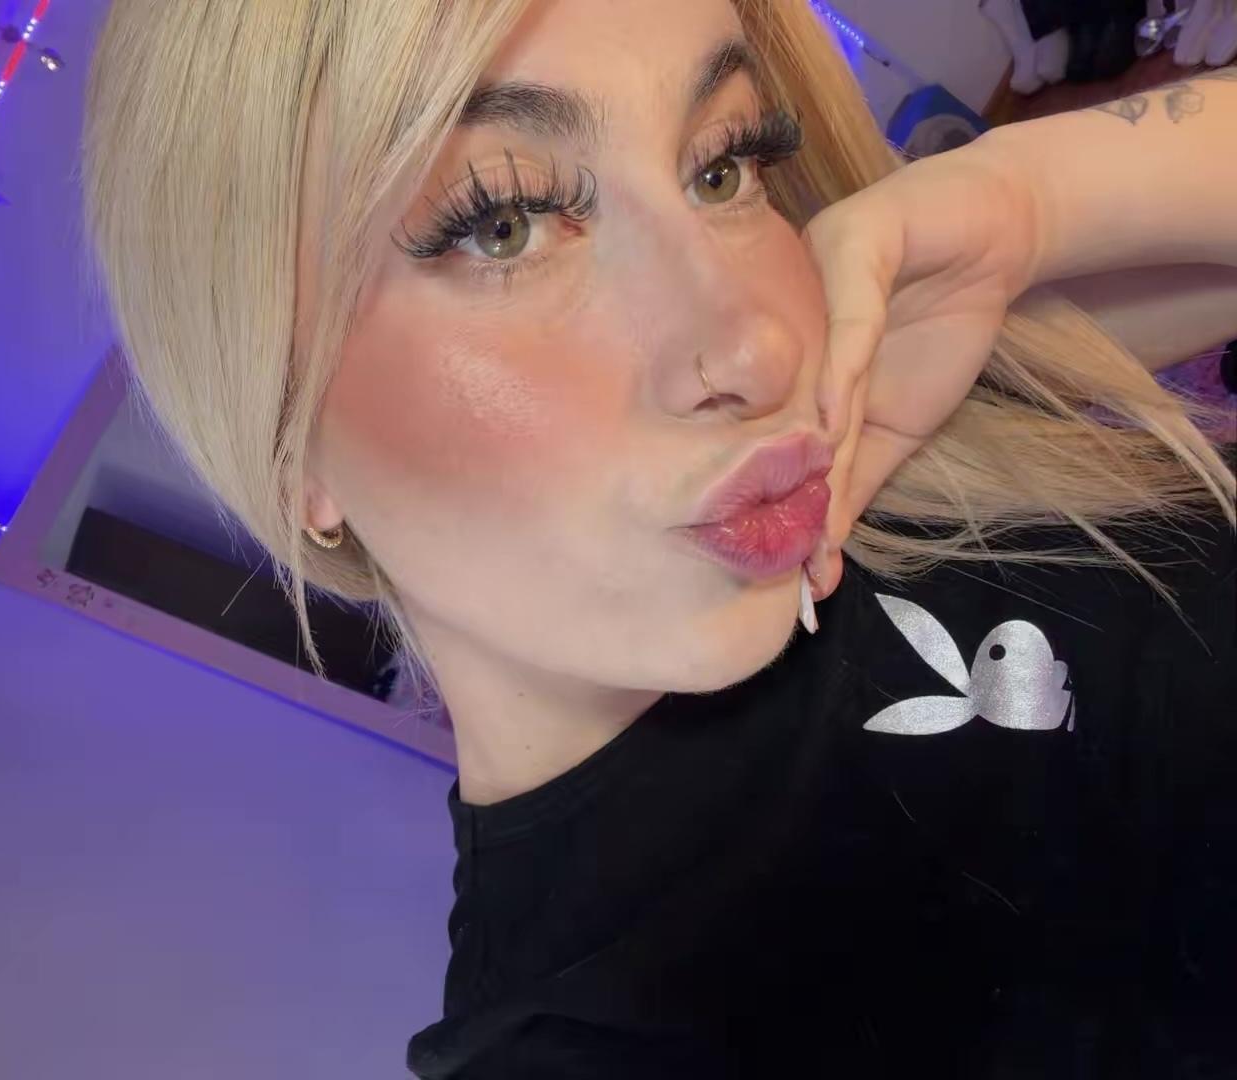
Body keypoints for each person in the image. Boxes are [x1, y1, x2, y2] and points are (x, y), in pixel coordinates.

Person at [81, 0, 1237, 1075]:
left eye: (723, 165)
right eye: (502, 225)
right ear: (291, 448)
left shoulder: (884, 413)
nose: (753, 348)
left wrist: (1032, 199)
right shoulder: (586, 1040)